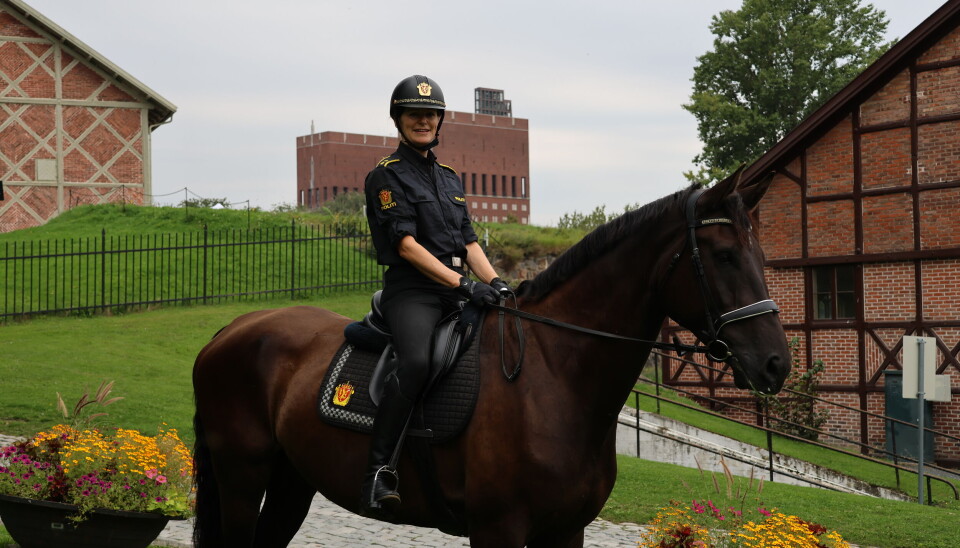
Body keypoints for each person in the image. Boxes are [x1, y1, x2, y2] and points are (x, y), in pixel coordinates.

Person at [360, 75, 511, 517]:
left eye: (430, 114)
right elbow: (406, 246)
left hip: (455, 290)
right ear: (399, 120)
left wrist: (496, 283)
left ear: (440, 121)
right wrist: (464, 284)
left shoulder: (449, 178)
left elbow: (468, 242)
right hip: (414, 293)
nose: (423, 121)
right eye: (414, 114)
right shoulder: (385, 177)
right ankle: (378, 470)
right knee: (418, 363)